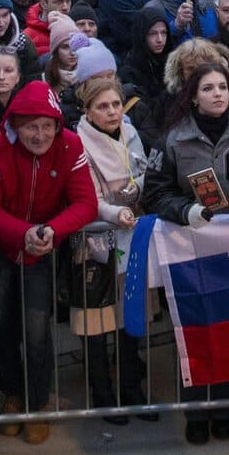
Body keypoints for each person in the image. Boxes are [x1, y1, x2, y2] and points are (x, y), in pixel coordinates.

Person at [143, 59, 229, 443]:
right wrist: (185, 210)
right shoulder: (172, 139)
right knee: (195, 331)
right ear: (193, 97)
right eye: (208, 88)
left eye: (222, 87)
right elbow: (154, 192)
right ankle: (196, 413)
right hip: (188, 248)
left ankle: (223, 409)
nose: (217, 94)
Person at [0, 80, 98, 444]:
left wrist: (50, 231)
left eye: (47, 125)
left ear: (58, 125)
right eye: (31, 126)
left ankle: (39, 401)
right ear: (14, 125)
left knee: (38, 330)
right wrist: (23, 232)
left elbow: (85, 203)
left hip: (41, 247)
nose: (40, 135)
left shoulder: (71, 146)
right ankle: (12, 394)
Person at [74, 73, 153, 423]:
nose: (111, 112)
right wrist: (111, 211)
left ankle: (132, 388)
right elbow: (83, 195)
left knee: (129, 319)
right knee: (97, 321)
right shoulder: (76, 142)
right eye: (102, 106)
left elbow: (144, 173)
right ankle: (103, 393)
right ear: (88, 111)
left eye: (116, 104)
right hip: (94, 238)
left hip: (132, 233)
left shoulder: (131, 133)